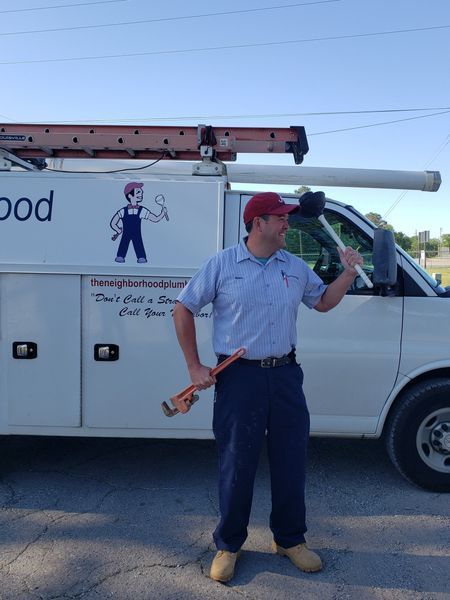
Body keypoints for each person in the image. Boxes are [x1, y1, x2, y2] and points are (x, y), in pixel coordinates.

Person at [172, 191, 363, 583]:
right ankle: (229, 544)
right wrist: (194, 365)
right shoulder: (222, 264)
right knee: (237, 462)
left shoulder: (292, 267)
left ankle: (290, 539)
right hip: (238, 377)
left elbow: (323, 302)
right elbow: (183, 307)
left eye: (287, 218)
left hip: (285, 375)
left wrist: (346, 273)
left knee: (291, 458)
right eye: (280, 218)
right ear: (259, 222)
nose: (287, 224)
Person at [110, 182, 168, 263]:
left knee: (138, 243)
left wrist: (162, 213)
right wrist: (118, 230)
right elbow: (113, 223)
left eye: (141, 191)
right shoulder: (123, 211)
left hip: (137, 233)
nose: (142, 193)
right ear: (130, 195)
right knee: (124, 243)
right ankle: (120, 256)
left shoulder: (142, 210)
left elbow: (155, 219)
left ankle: (141, 257)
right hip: (126, 233)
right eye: (138, 192)